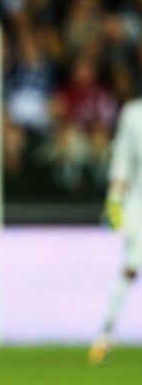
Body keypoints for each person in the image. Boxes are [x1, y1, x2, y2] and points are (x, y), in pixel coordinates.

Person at [88, 99, 142, 364]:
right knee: (132, 267)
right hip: (140, 205)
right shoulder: (134, 115)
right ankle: (106, 332)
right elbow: (122, 160)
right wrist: (114, 201)